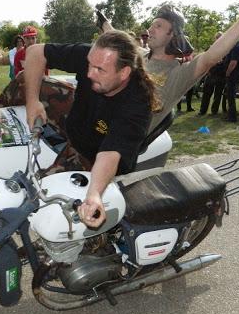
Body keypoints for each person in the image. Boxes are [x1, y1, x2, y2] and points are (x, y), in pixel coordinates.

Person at [24, 30, 160, 228]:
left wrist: (94, 194)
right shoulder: (94, 57)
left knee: (39, 194)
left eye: (99, 70)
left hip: (93, 154)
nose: (89, 73)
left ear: (124, 73)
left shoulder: (138, 104)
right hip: (75, 121)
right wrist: (32, 101)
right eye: (89, 64)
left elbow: (110, 154)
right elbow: (35, 52)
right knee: (25, 78)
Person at [103, 0, 239, 132]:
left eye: (158, 26)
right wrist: (103, 21)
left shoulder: (178, 73)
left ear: (172, 35)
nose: (150, 30)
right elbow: (117, 37)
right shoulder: (140, 55)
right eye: (152, 25)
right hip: (102, 121)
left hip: (119, 139)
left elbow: (210, 57)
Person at [220, 40, 239, 121]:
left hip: (234, 74)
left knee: (231, 95)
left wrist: (227, 73)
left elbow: (233, 63)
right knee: (230, 95)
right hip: (237, 73)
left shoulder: (237, 47)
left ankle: (232, 117)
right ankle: (230, 114)